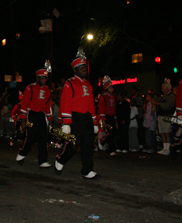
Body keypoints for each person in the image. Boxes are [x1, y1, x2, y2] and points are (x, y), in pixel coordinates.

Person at [55, 48, 99, 179]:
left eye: (85, 67)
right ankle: (60, 159)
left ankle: (87, 170)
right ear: (75, 70)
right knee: (73, 146)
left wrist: (95, 122)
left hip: (87, 118)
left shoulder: (89, 85)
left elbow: (91, 105)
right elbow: (65, 103)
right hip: (75, 117)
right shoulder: (69, 83)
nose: (84, 69)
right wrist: (66, 123)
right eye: (81, 68)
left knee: (88, 145)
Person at [15, 63, 53, 168]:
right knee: (31, 137)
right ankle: (22, 153)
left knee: (43, 138)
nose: (44, 80)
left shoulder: (47, 90)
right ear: (37, 78)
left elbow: (47, 105)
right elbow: (24, 104)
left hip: (41, 116)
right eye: (42, 78)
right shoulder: (30, 88)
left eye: (45, 78)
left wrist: (49, 119)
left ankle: (43, 160)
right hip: (31, 114)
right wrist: (23, 120)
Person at [153, 79, 175, 155]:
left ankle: (167, 149)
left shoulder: (171, 96)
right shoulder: (164, 96)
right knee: (162, 132)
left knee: (166, 132)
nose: (162, 90)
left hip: (167, 116)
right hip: (161, 116)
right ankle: (164, 148)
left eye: (163, 88)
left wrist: (158, 103)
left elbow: (167, 106)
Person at [97, 76, 118, 156]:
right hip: (107, 117)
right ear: (106, 88)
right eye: (110, 87)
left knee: (113, 132)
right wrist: (103, 119)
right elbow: (101, 109)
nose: (112, 89)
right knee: (110, 132)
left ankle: (103, 142)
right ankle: (109, 148)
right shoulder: (103, 97)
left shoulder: (112, 97)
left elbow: (114, 108)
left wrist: (115, 118)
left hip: (112, 117)